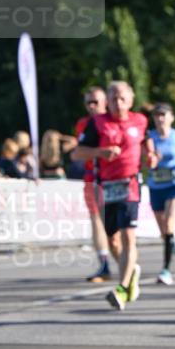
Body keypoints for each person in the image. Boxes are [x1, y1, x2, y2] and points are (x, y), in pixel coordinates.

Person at [72, 80, 156, 310]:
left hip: (130, 185)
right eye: (113, 99)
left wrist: (151, 155)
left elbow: (147, 141)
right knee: (113, 241)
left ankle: (121, 288)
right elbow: (77, 153)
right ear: (107, 102)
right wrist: (101, 152)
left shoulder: (140, 120)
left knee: (129, 236)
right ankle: (131, 272)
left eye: (122, 98)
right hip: (107, 186)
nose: (118, 103)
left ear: (131, 99)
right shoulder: (97, 123)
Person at [145, 103, 175, 285]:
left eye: (163, 115)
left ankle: (166, 270)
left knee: (169, 222)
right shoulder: (150, 137)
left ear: (171, 118)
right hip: (156, 185)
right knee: (164, 231)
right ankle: (174, 240)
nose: (160, 118)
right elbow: (149, 159)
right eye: (156, 115)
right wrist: (153, 159)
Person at [74, 87, 112, 283]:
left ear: (105, 102)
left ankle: (126, 262)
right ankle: (104, 263)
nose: (91, 106)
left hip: (114, 178)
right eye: (88, 102)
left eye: (95, 102)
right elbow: (79, 153)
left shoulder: (114, 121)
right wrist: (98, 153)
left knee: (115, 224)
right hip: (92, 177)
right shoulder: (83, 124)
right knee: (96, 219)